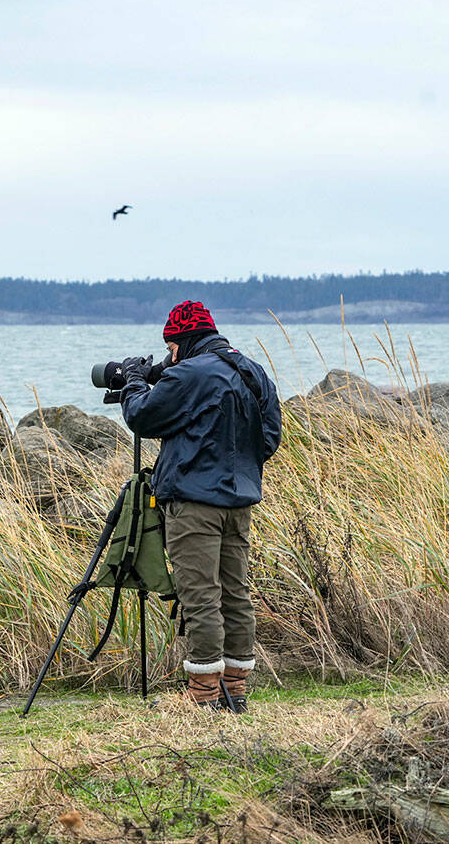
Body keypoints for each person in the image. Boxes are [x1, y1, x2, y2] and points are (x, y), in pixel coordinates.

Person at [118, 300, 282, 712]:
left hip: (193, 502)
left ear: (183, 340)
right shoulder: (251, 370)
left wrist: (135, 380)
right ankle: (235, 689)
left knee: (201, 594)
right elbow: (270, 438)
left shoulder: (190, 372)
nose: (170, 355)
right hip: (238, 501)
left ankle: (204, 694)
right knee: (235, 592)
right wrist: (235, 465)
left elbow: (141, 415)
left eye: (171, 347)